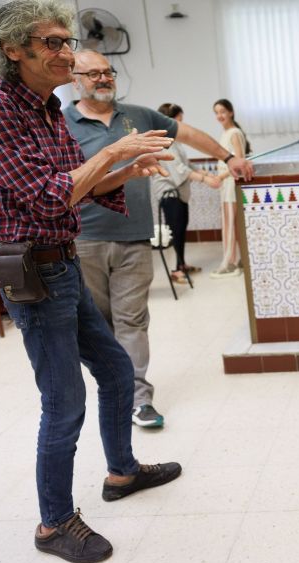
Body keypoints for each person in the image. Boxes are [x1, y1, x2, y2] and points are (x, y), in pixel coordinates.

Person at [0, 0, 182, 563]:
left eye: (67, 40)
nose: (67, 52)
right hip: (32, 271)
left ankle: (122, 472)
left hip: (63, 261)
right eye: (53, 42)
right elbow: (47, 195)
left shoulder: (46, 106)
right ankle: (54, 523)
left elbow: (69, 184)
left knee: (113, 369)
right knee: (64, 401)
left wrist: (124, 171)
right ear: (14, 50)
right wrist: (115, 149)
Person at [65, 50, 253, 428]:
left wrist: (228, 156)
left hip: (135, 237)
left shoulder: (138, 115)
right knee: (98, 324)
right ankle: (112, 389)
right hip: (83, 239)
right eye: (93, 74)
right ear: (75, 79)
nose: (103, 79)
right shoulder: (59, 122)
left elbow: (188, 134)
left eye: (108, 72)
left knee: (132, 320)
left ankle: (138, 398)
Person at [152, 102, 222, 284]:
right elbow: (180, 171)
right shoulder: (163, 144)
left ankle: (181, 264)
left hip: (179, 193)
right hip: (169, 194)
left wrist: (205, 173)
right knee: (177, 231)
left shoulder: (174, 142)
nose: (181, 126)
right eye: (179, 121)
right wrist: (205, 180)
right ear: (169, 121)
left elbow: (187, 164)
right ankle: (176, 270)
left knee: (181, 230)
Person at [209, 98, 250, 278]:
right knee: (231, 224)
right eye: (216, 112)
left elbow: (238, 161)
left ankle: (231, 263)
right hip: (227, 184)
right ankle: (238, 261)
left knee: (231, 224)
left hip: (232, 183)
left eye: (222, 112)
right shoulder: (226, 133)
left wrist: (221, 176)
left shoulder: (234, 132)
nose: (219, 116)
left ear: (231, 112)